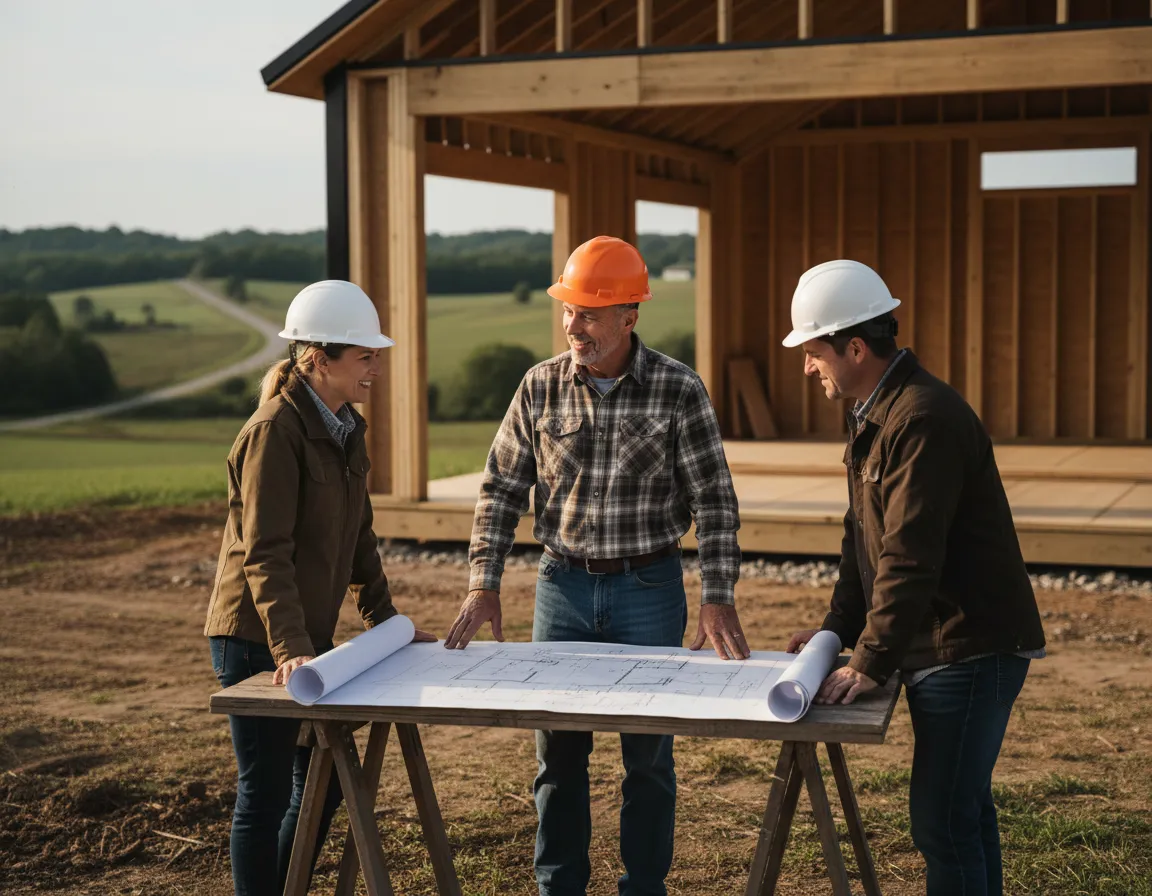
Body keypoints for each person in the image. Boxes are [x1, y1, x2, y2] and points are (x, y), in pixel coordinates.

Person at [444, 235, 748, 896]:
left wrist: (717, 595)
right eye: (568, 310)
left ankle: (643, 887)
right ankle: (561, 888)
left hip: (649, 587)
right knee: (558, 756)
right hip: (562, 588)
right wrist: (482, 583)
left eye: (588, 312)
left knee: (648, 756)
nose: (572, 325)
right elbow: (500, 490)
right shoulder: (539, 386)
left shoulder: (677, 389)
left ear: (628, 318)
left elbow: (714, 501)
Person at [781, 260, 1046, 896]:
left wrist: (869, 659)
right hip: (951, 645)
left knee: (942, 823)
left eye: (814, 352)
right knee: (962, 815)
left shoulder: (920, 419)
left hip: (970, 649)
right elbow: (861, 539)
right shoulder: (876, 410)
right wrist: (832, 633)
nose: (808, 366)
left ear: (853, 347)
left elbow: (909, 555)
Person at [204, 280, 434, 896]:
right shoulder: (273, 432)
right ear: (317, 359)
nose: (375, 368)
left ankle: (285, 887)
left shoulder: (346, 429)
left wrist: (389, 623)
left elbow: (360, 537)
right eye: (365, 356)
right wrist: (289, 651)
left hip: (307, 640)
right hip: (256, 638)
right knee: (267, 789)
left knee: (328, 782)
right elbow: (266, 553)